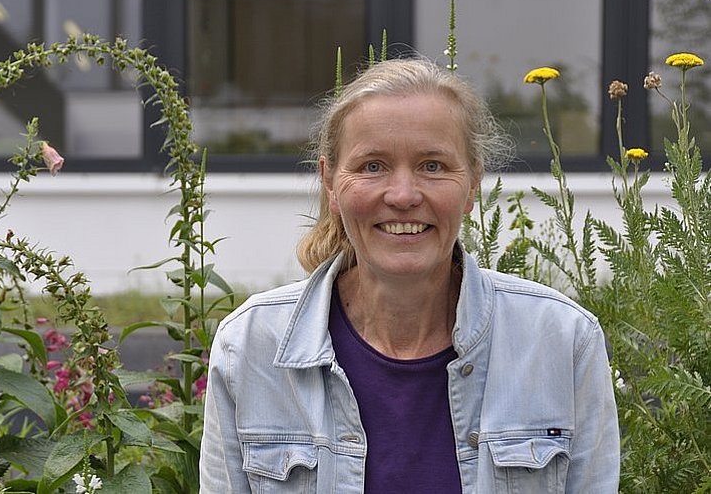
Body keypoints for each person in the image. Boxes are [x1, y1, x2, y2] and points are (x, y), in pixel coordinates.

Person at [199, 59, 620, 493]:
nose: (403, 196)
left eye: (433, 166)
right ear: (331, 183)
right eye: (373, 166)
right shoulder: (250, 348)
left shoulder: (562, 341)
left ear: (473, 182)